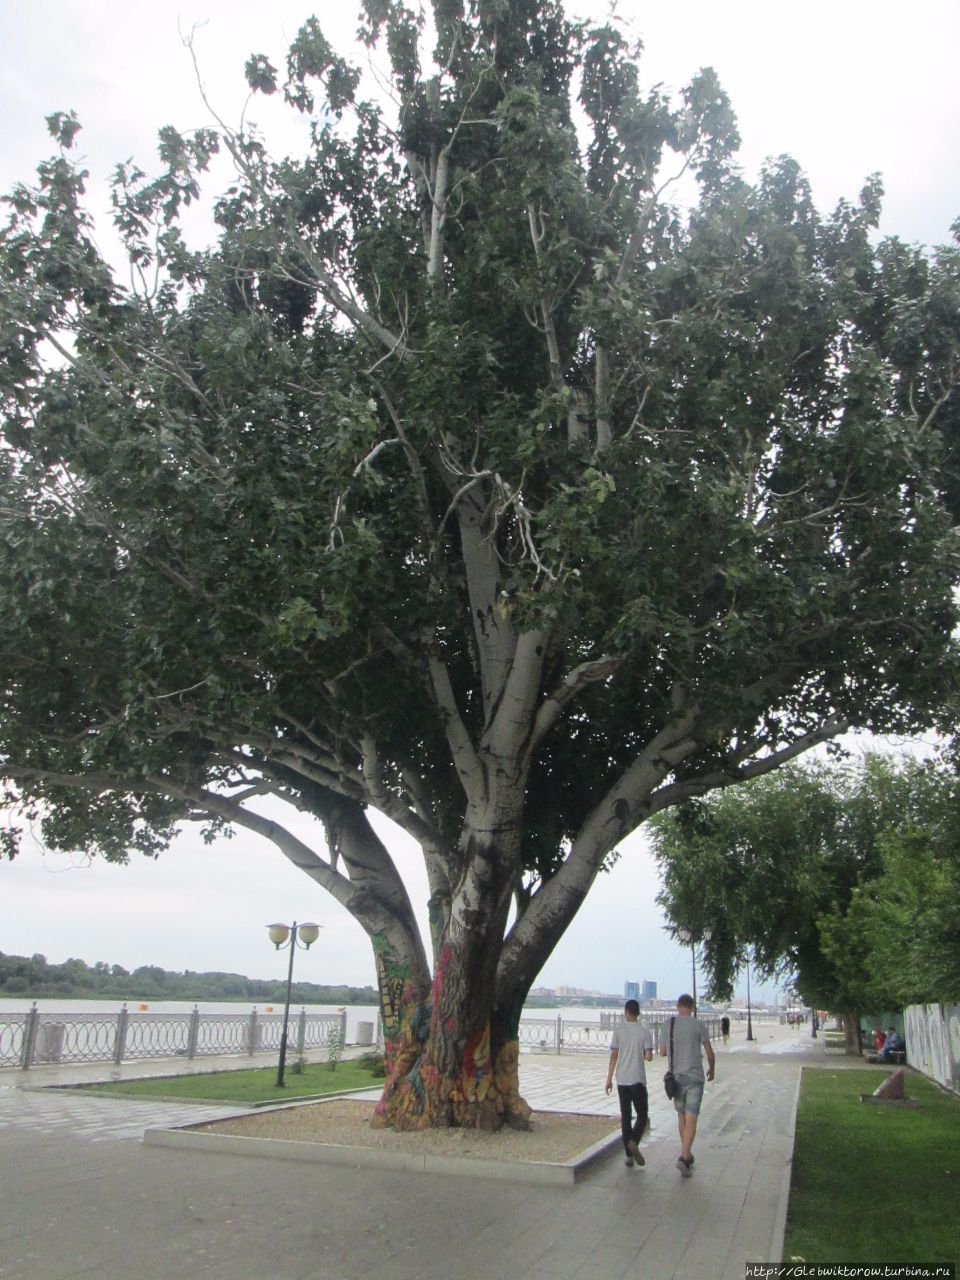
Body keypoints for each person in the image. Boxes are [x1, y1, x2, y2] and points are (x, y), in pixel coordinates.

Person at [659, 992, 716, 1176]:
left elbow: (661, 1052)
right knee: (692, 1118)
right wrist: (712, 1069)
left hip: (676, 1078)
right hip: (695, 1078)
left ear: (678, 1006)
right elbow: (709, 1051)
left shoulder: (668, 1024)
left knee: (681, 1117)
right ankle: (684, 1156)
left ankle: (686, 1153)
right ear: (691, 1008)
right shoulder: (698, 1025)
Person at [605, 998, 654, 1168]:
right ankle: (634, 1140)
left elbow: (613, 1056)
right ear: (638, 1013)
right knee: (642, 1114)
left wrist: (609, 1078)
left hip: (622, 1079)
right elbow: (648, 1057)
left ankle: (628, 1155)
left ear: (626, 1013)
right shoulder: (644, 1032)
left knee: (625, 1116)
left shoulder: (618, 1031)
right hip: (638, 1079)